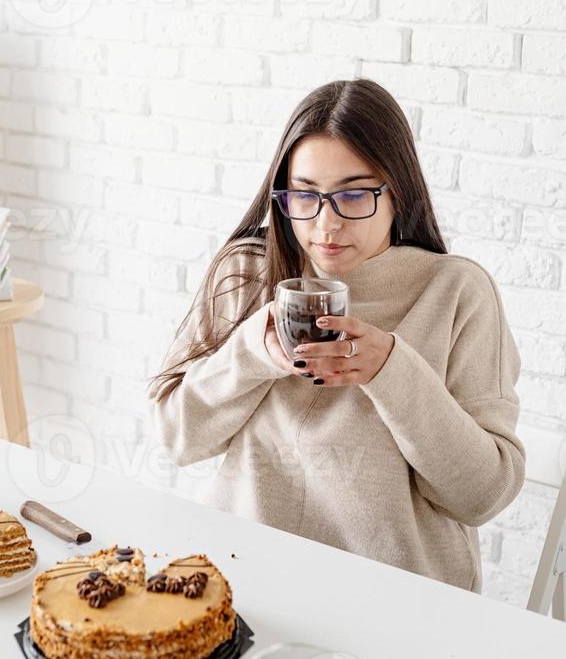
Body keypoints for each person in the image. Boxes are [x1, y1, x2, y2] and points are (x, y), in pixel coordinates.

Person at [147, 79, 525, 593]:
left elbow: (482, 495)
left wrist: (392, 368)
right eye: (304, 195)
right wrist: (253, 352)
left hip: (401, 603)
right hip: (246, 587)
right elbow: (175, 440)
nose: (325, 225)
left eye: (352, 194)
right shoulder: (248, 273)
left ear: (398, 191)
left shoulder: (456, 291)